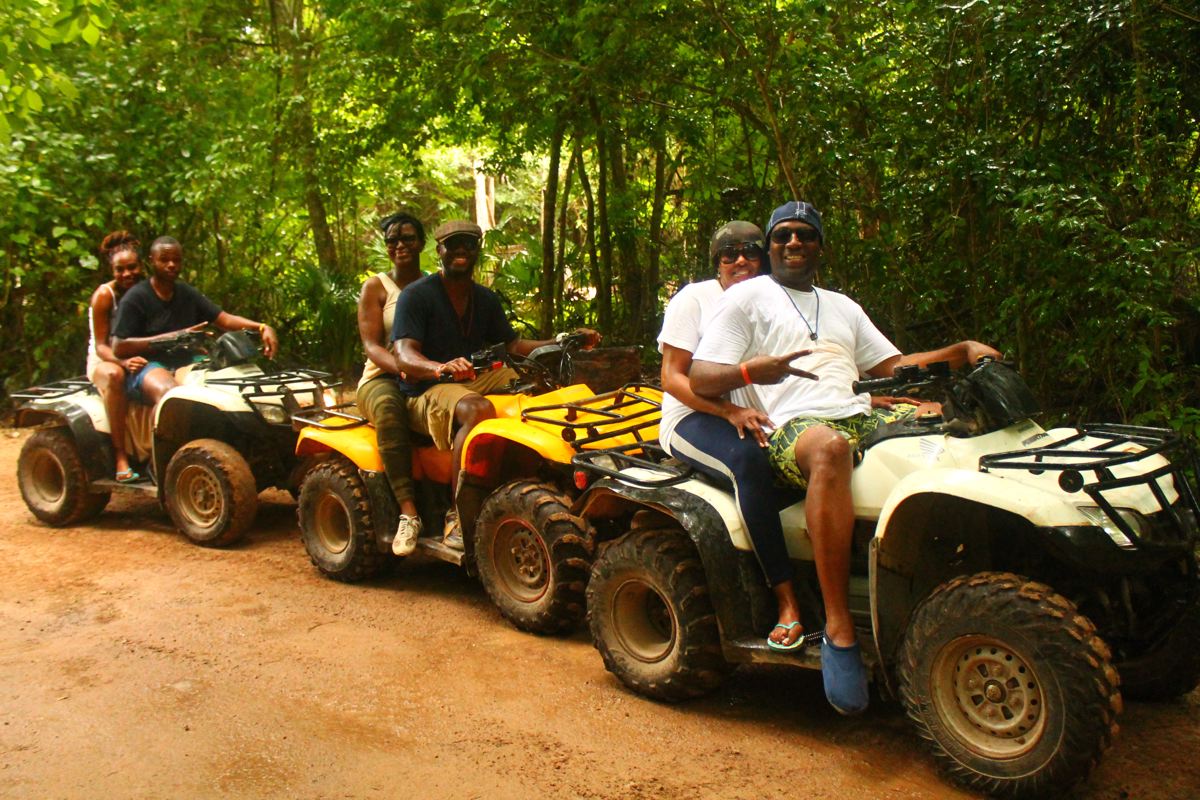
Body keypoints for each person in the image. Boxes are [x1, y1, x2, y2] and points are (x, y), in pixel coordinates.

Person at [690, 200, 1000, 715]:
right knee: (831, 450)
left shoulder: (842, 305)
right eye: (783, 235)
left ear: (818, 247)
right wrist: (751, 373)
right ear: (770, 247)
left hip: (860, 411)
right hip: (792, 427)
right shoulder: (747, 298)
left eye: (805, 235)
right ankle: (839, 627)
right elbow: (701, 376)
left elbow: (894, 365)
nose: (794, 243)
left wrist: (960, 351)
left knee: (945, 432)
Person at [391, 219, 599, 545]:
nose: (462, 249)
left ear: (477, 250)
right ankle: (459, 514)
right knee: (478, 409)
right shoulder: (416, 296)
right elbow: (404, 355)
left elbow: (514, 347)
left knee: (542, 391)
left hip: (476, 376)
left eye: (469, 244)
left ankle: (556, 478)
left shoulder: (484, 298)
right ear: (439, 249)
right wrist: (439, 368)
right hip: (426, 387)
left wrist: (563, 340)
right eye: (454, 243)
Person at [658, 221, 811, 652]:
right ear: (716, 263)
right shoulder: (695, 299)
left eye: (749, 251)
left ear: (764, 259)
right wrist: (727, 410)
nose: (739, 259)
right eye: (728, 253)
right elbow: (671, 377)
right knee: (750, 463)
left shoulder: (777, 300)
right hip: (691, 415)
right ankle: (786, 600)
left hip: (756, 413)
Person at [112, 236, 280, 407]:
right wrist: (176, 337)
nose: (171, 265)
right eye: (164, 260)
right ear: (151, 261)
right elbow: (119, 346)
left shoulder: (187, 293)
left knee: (228, 385)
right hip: (149, 365)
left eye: (176, 260)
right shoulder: (136, 297)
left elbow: (225, 319)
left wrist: (262, 327)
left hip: (188, 361)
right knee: (170, 395)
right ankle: (162, 434)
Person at [357, 213, 426, 557]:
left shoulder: (434, 286)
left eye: (408, 238)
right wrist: (401, 369)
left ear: (423, 243)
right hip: (382, 377)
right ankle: (408, 511)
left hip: (426, 372)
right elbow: (371, 346)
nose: (400, 245)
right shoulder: (376, 286)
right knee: (389, 409)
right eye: (392, 240)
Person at [88, 231, 147, 482]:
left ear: (141, 265)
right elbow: (101, 345)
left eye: (131, 267)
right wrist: (122, 362)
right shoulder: (105, 296)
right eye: (119, 270)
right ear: (112, 271)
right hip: (106, 360)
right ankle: (121, 456)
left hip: (138, 356)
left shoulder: (149, 290)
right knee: (115, 376)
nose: (127, 274)